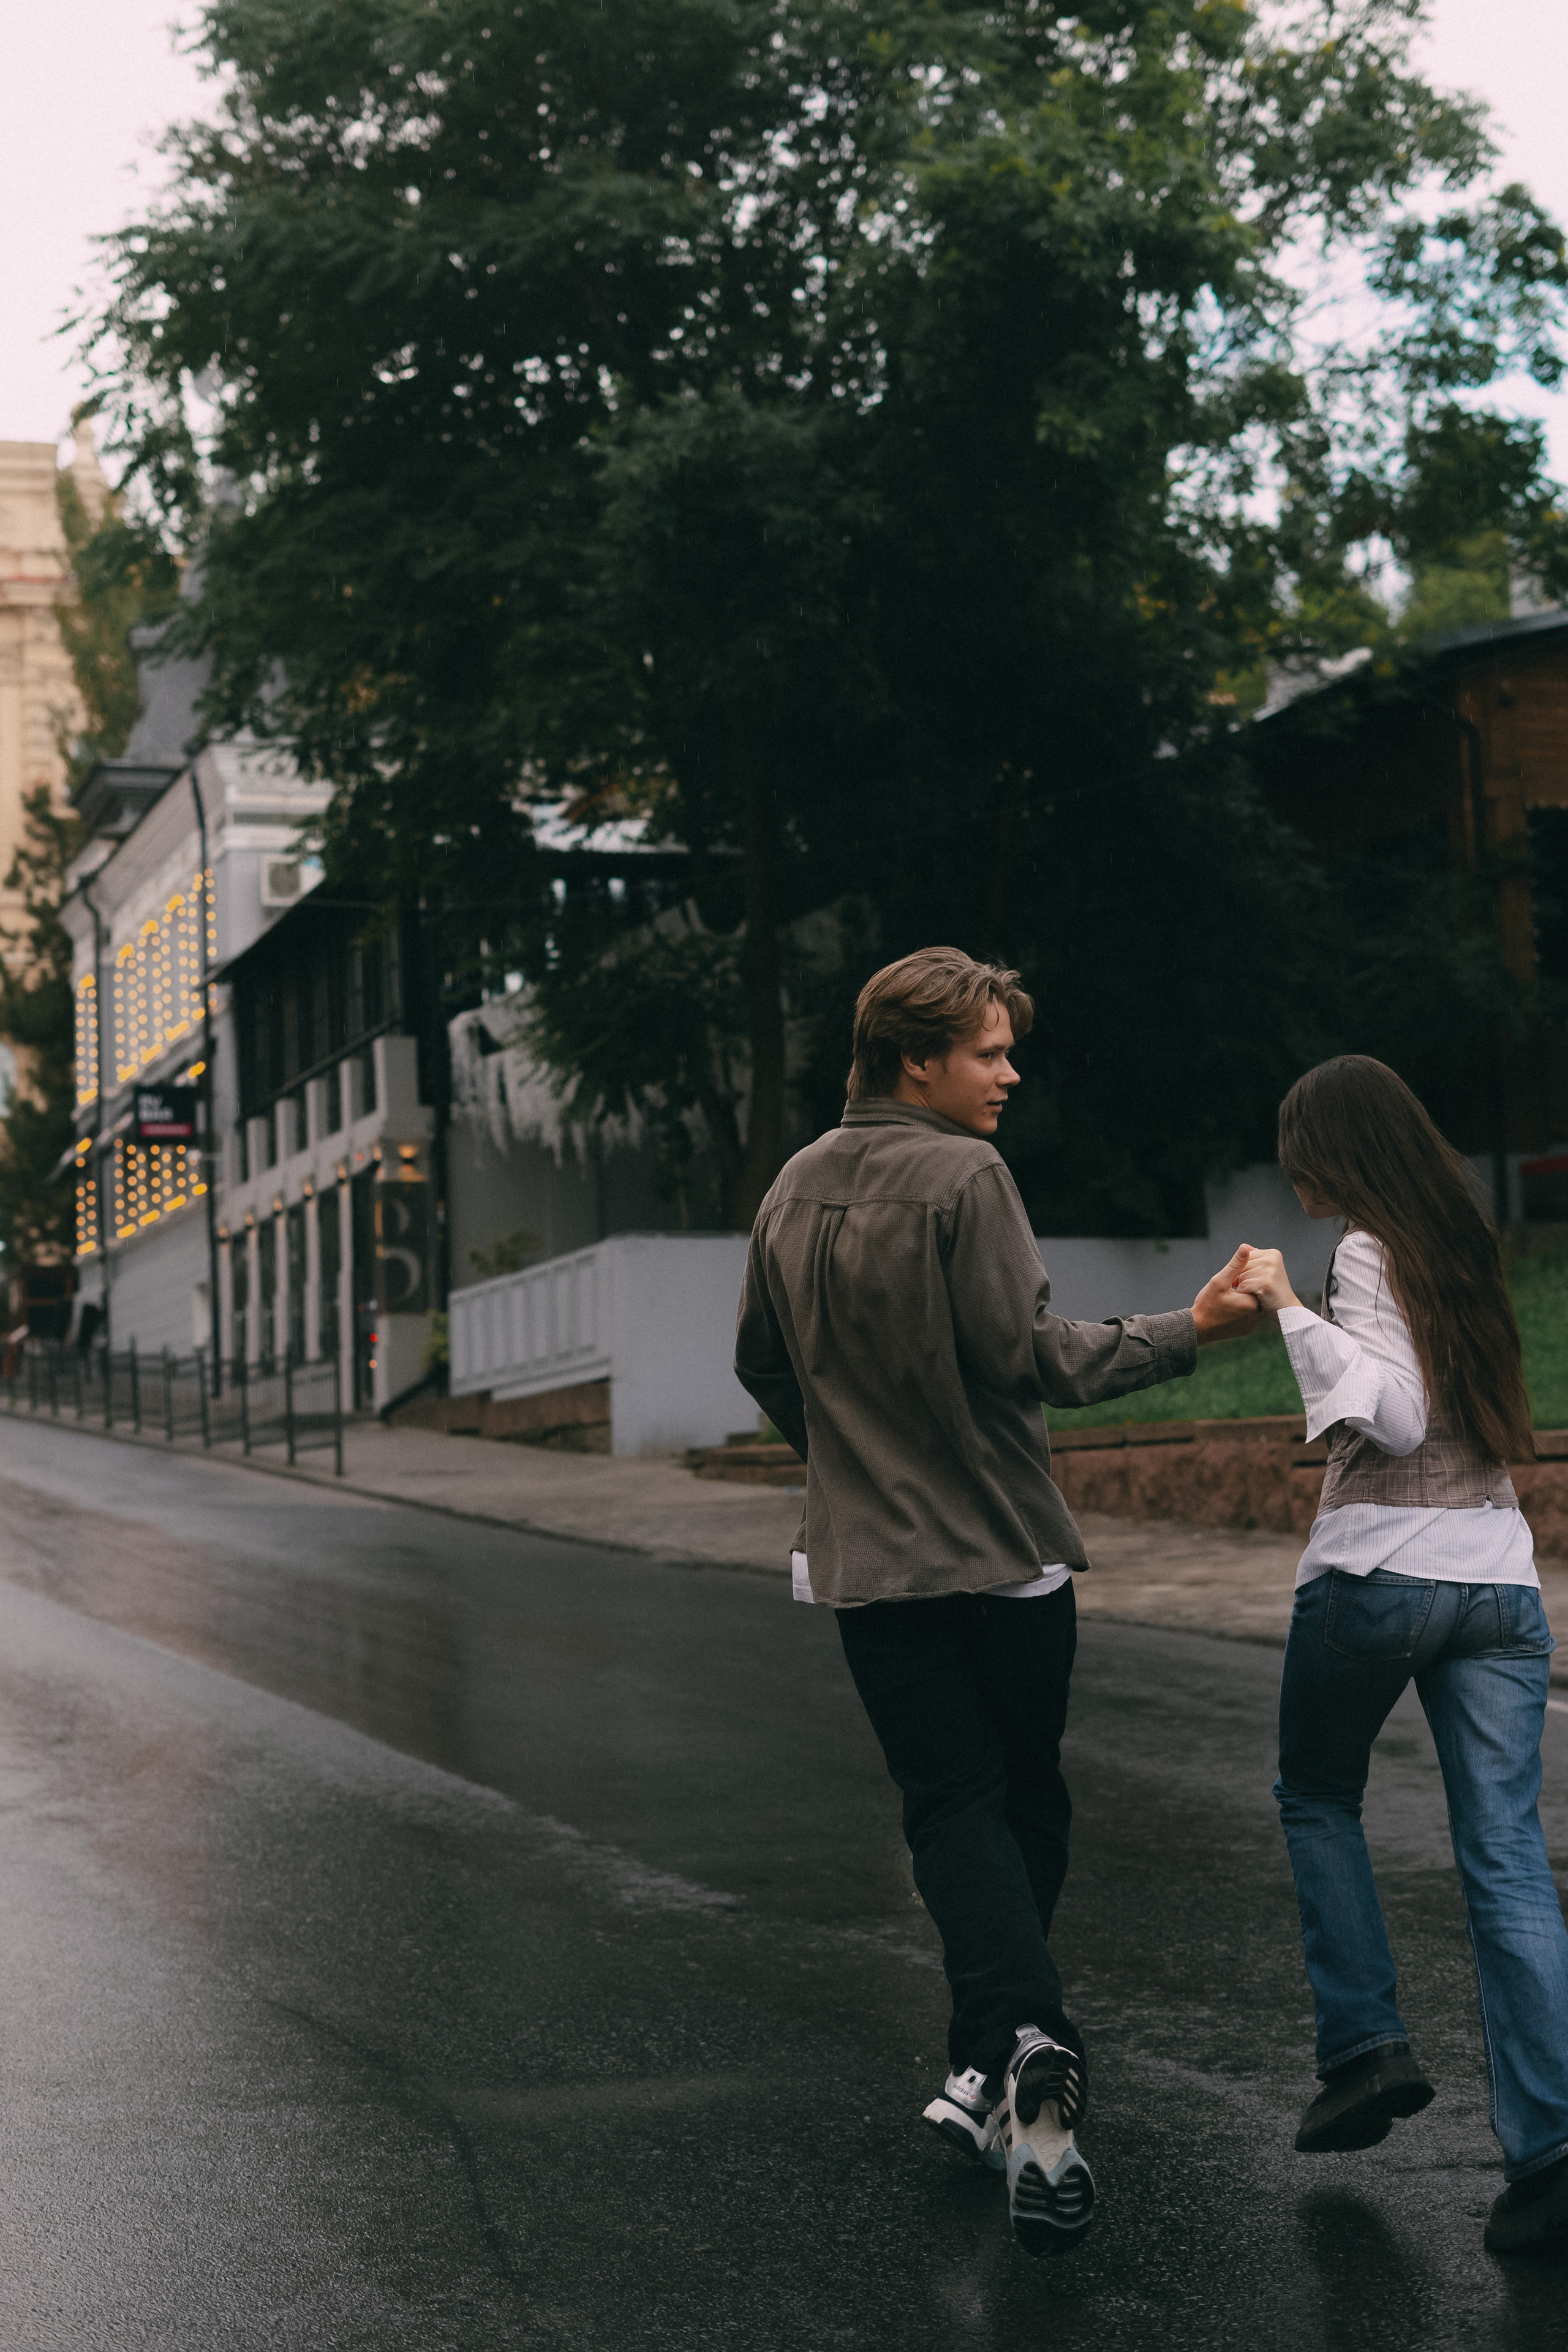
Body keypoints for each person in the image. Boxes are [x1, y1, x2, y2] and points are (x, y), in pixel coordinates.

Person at [734, 946, 1262, 2256]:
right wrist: (1197, 1327)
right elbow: (1037, 1360)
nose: (1008, 1073)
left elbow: (759, 1365)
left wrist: (848, 1470)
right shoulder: (964, 1176)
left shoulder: (792, 1186)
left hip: (868, 1570)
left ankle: (985, 2068)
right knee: (1019, 1801)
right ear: (914, 1060)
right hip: (1001, 1557)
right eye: (986, 1052)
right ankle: (1030, 2039)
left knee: (948, 1807)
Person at [1236, 1055, 1568, 2258]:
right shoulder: (1462, 1245)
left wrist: (1285, 1307)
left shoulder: (1367, 1249)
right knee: (1504, 1858)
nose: (1293, 1171)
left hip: (1379, 1570)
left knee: (1315, 1792)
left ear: (1341, 1148)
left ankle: (1363, 2048)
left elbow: (1389, 1415)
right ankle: (1548, 2157)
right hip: (1493, 1575)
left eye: (1299, 1149)